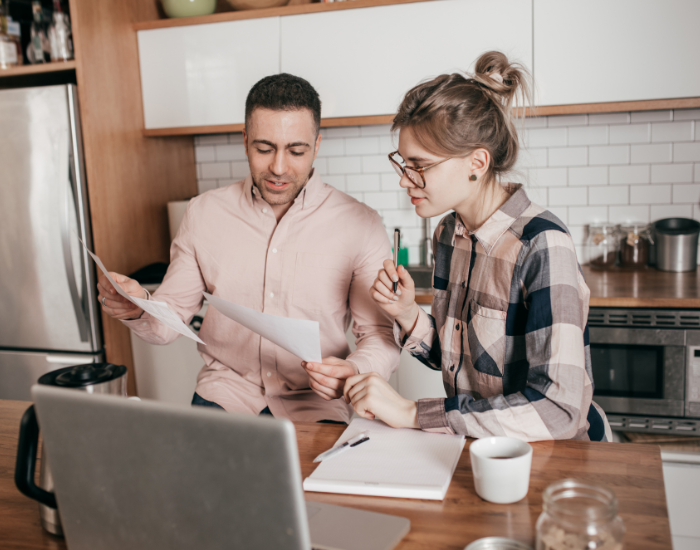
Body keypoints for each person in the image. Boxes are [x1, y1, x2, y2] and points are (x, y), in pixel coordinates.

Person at [97, 74, 399, 423]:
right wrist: (137, 308)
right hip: (224, 395)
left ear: (316, 147)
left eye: (296, 150)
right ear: (245, 141)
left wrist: (353, 369)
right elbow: (170, 317)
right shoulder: (203, 213)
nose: (279, 168)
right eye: (264, 148)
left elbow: (379, 336)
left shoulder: (360, 224)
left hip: (316, 403)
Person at [343, 51, 611, 442]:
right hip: (482, 449)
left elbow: (559, 410)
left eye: (420, 165)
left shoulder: (541, 245)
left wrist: (411, 412)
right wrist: (406, 315)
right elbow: (460, 364)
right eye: (402, 163)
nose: (405, 180)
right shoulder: (449, 235)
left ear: (477, 162)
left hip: (554, 459)